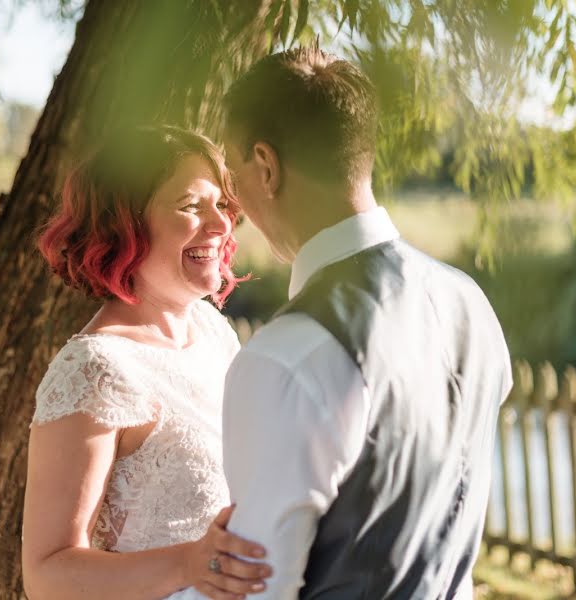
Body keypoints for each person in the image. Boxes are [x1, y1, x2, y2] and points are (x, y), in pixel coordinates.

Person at [170, 47, 513, 599]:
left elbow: (257, 590)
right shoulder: (471, 303)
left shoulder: (288, 356)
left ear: (266, 166)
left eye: (234, 177)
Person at [22, 125, 272, 600]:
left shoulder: (214, 332)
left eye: (221, 205)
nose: (220, 225)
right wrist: (188, 563)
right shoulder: (96, 368)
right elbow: (46, 574)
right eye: (190, 207)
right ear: (125, 224)